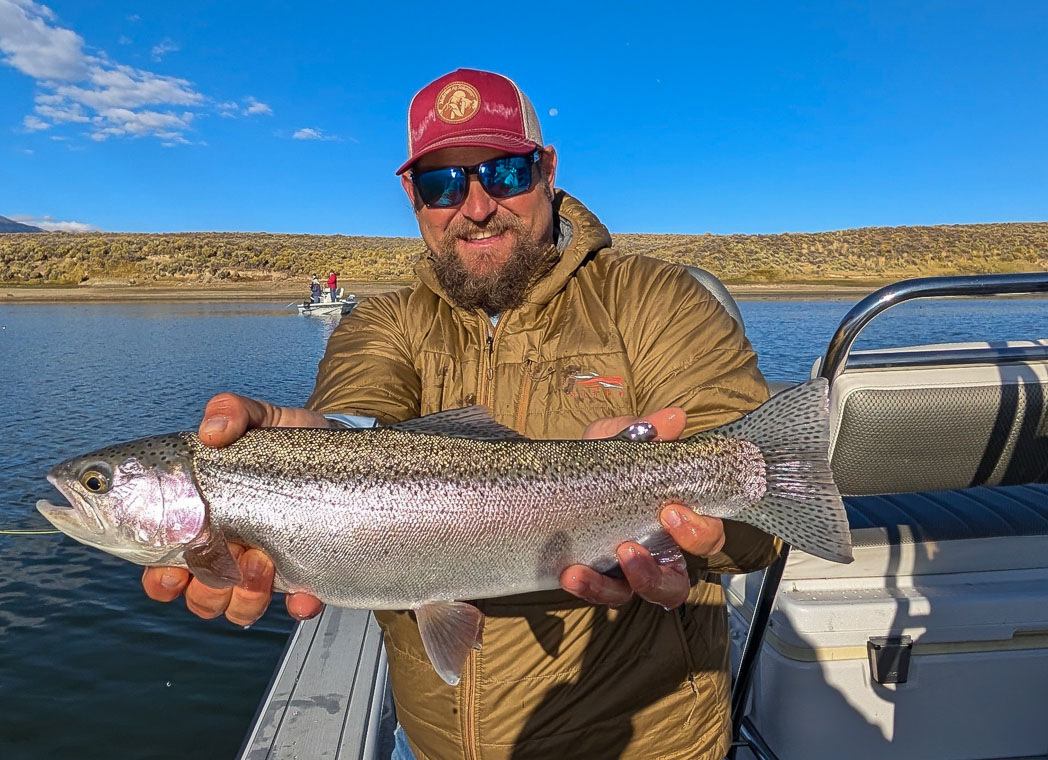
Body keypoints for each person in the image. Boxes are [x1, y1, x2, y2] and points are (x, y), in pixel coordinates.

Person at [142, 68, 779, 760]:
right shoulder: (383, 322)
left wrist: (700, 537)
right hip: (433, 742)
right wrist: (333, 445)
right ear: (412, 198)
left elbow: (766, 513)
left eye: (504, 173)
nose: (474, 206)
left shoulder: (657, 299)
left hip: (647, 742)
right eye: (442, 184)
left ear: (548, 170)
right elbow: (358, 415)